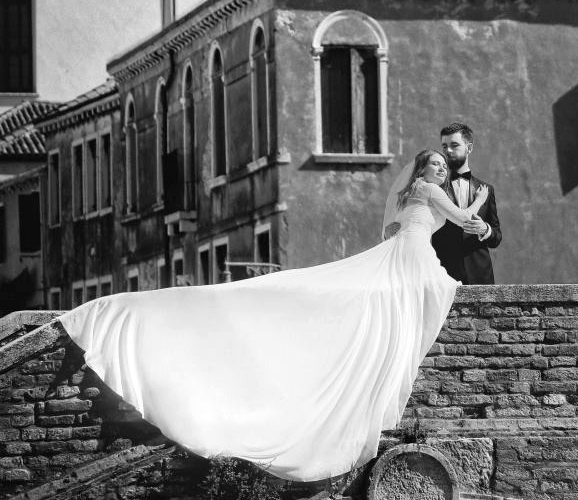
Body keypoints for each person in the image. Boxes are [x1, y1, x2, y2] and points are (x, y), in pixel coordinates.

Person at [56, 150, 487, 485]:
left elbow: (392, 229)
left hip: (402, 252)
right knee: (430, 294)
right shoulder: (431, 191)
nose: (440, 169)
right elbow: (463, 218)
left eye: (443, 165)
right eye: (434, 164)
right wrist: (482, 197)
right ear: (422, 170)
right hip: (415, 259)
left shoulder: (410, 194)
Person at [431, 121, 501, 284]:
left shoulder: (486, 189)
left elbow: (497, 238)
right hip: (443, 276)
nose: (448, 150)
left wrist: (485, 229)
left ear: (469, 148)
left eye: (454, 145)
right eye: (444, 146)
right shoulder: (433, 189)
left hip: (481, 276)